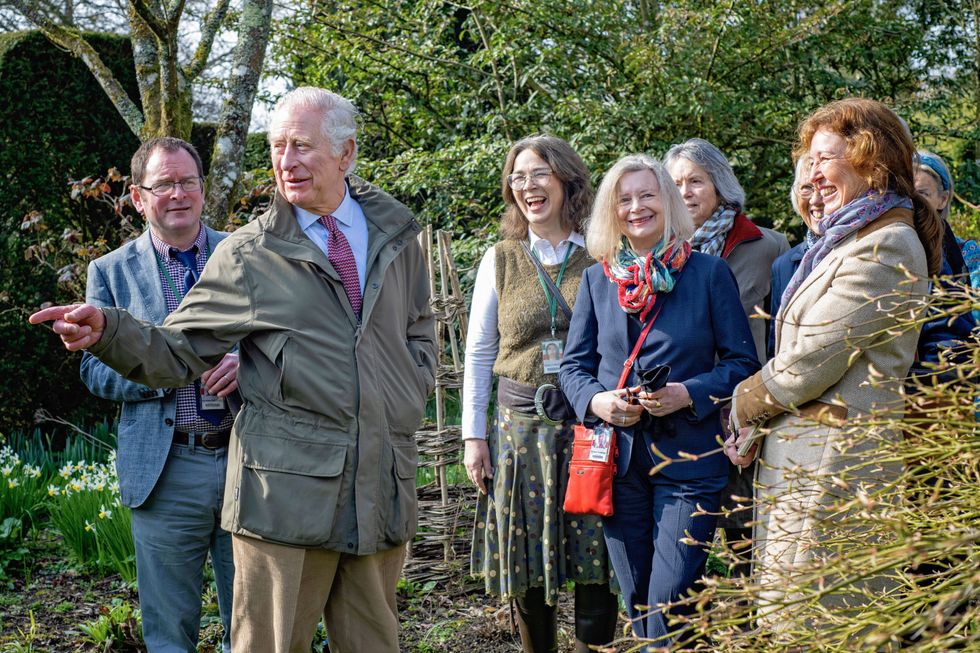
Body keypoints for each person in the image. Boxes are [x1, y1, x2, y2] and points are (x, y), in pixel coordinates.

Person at [30, 86, 436, 653]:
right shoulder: (250, 253)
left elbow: (418, 325)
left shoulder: (395, 236)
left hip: (379, 482)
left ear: (345, 154)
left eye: (302, 146)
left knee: (375, 643)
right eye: (277, 147)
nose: (285, 162)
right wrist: (111, 330)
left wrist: (410, 388)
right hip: (285, 493)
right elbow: (176, 349)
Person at [725, 97, 943, 622]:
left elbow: (810, 360)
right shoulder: (844, 242)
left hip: (836, 467)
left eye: (826, 158)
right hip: (809, 457)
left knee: (816, 622)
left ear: (873, 161)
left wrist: (743, 402)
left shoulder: (886, 247)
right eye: (810, 160)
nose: (812, 172)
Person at [558, 154, 760, 643]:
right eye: (624, 199)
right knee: (640, 600)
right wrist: (599, 402)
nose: (636, 207)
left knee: (667, 601)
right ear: (611, 210)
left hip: (691, 462)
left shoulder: (709, 274)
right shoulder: (596, 279)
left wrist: (686, 394)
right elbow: (573, 367)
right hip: (617, 465)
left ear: (667, 202)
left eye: (647, 195)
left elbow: (742, 364)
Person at [79, 137, 238, 653]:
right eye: (163, 183)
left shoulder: (244, 254)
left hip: (250, 460)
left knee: (261, 624)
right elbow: (94, 373)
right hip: (167, 471)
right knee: (169, 634)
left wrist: (249, 365)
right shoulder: (110, 272)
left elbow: (287, 340)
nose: (178, 193)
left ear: (202, 189)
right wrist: (162, 369)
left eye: (187, 181)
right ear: (137, 195)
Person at [463, 136, 618, 653]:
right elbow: (480, 351)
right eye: (519, 177)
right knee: (527, 561)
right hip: (517, 428)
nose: (528, 186)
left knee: (595, 555)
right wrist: (472, 436)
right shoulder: (500, 259)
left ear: (566, 181)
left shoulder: (602, 254)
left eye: (540, 174)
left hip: (586, 424)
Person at [664, 138, 789, 571]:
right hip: (682, 408)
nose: (685, 193)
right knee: (684, 532)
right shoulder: (658, 253)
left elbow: (783, 333)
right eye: (676, 183)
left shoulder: (768, 246)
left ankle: (744, 624)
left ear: (719, 184)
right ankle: (690, 624)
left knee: (743, 526)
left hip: (746, 408)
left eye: (695, 181)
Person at [767, 157, 824, 358]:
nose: (816, 200)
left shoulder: (861, 249)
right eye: (806, 187)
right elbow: (775, 349)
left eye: (825, 186)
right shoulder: (783, 265)